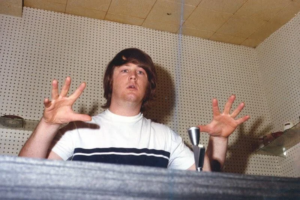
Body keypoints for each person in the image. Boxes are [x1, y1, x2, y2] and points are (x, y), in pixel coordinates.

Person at [19, 48, 249, 171]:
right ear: (110, 80)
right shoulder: (77, 130)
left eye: (141, 72)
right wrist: (48, 125)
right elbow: (26, 175)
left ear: (149, 87)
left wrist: (218, 140)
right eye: (124, 70)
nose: (132, 75)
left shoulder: (165, 137)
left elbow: (204, 187)